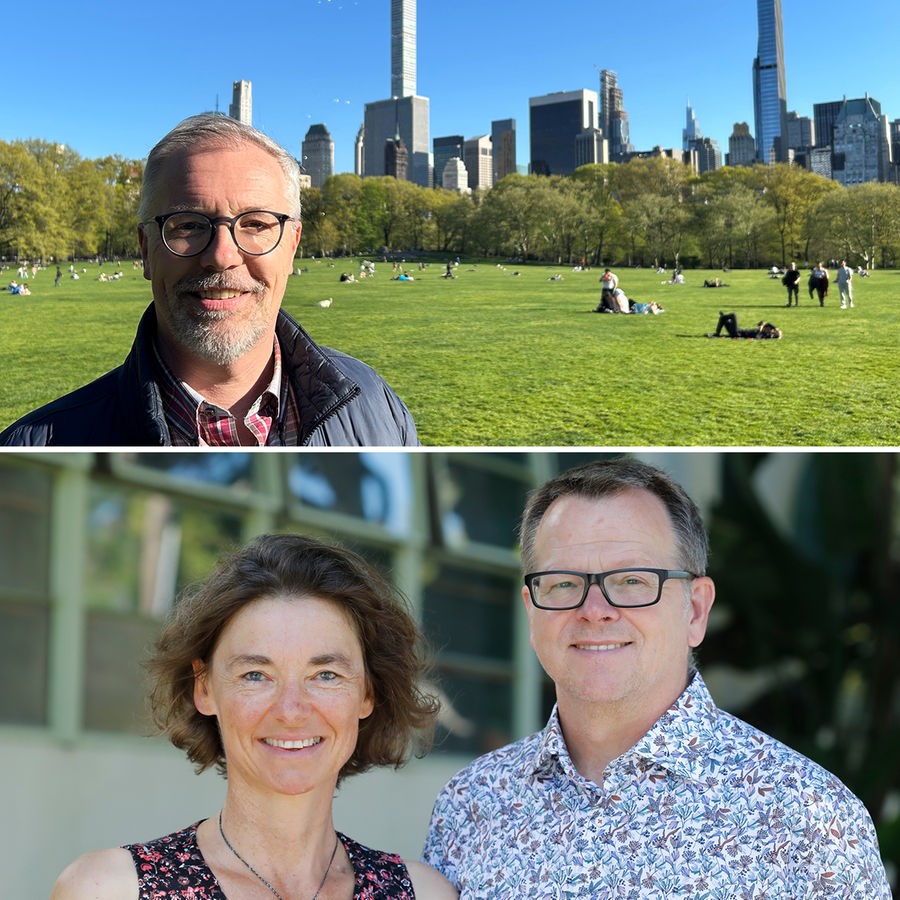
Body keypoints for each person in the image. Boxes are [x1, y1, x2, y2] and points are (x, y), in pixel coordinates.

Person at [423, 458, 891, 897]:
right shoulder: (471, 804)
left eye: (632, 581)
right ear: (532, 610)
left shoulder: (807, 815)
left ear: (695, 610)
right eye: (563, 583)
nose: (595, 611)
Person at [51, 533, 457, 900]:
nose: (292, 711)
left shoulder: (425, 895)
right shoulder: (108, 890)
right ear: (205, 687)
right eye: (256, 675)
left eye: (325, 675)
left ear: (367, 692)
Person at [0, 114, 418, 447]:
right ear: (146, 249)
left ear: (291, 246)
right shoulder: (32, 445)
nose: (221, 255)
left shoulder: (376, 405)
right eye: (187, 225)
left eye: (255, 223)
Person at [705, 311, 781, 339]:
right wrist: (775, 328)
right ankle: (717, 333)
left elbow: (757, 338)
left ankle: (725, 317)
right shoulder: (765, 331)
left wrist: (760, 329)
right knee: (723, 318)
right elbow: (767, 324)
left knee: (733, 315)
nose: (766, 327)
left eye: (767, 328)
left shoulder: (763, 335)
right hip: (736, 332)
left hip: (737, 333)